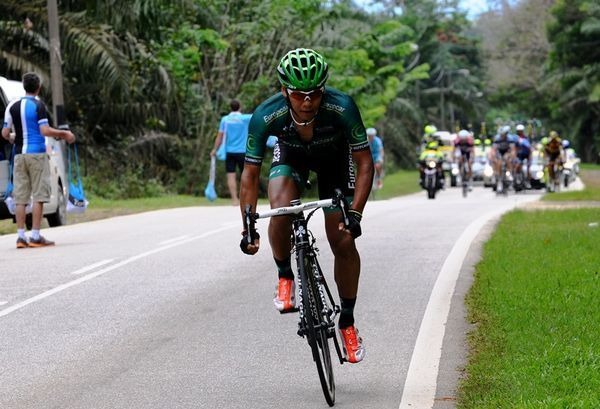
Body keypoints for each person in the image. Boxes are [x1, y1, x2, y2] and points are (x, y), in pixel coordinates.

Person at [238, 48, 373, 363]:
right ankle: (285, 275)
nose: (308, 101)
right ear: (285, 90)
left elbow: (365, 164)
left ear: (323, 89)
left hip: (333, 163)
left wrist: (355, 213)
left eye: (315, 93)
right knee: (282, 207)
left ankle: (348, 322)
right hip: (291, 156)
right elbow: (249, 174)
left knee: (343, 240)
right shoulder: (266, 116)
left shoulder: (342, 108)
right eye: (299, 94)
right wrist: (248, 228)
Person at [1, 72, 75, 248]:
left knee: (20, 198)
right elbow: (44, 131)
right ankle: (35, 235)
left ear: (24, 86)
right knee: (39, 196)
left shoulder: (11, 105)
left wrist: (14, 137)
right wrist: (64, 133)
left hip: (18, 156)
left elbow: (4, 134)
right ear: (38, 88)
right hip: (37, 155)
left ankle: (20, 237)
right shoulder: (38, 105)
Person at [210, 99, 252, 205]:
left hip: (230, 152)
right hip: (243, 152)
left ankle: (234, 199)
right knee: (245, 176)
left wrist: (215, 149)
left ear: (230, 108)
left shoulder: (225, 120)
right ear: (240, 107)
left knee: (231, 176)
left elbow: (220, 136)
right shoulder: (245, 118)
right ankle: (245, 198)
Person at [490, 125, 517, 192]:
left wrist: (512, 155)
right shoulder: (497, 139)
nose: (502, 136)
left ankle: (509, 173)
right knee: (498, 162)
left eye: (504, 135)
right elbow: (493, 149)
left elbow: (513, 149)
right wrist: (493, 156)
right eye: (501, 135)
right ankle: (499, 180)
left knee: (507, 158)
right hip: (499, 152)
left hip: (507, 151)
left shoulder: (510, 139)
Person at [515, 124, 532, 189]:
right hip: (519, 155)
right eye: (518, 131)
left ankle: (528, 181)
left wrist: (530, 156)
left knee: (528, 168)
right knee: (517, 166)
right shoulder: (515, 138)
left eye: (521, 131)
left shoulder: (526, 138)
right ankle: (517, 178)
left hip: (527, 154)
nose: (520, 132)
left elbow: (529, 148)